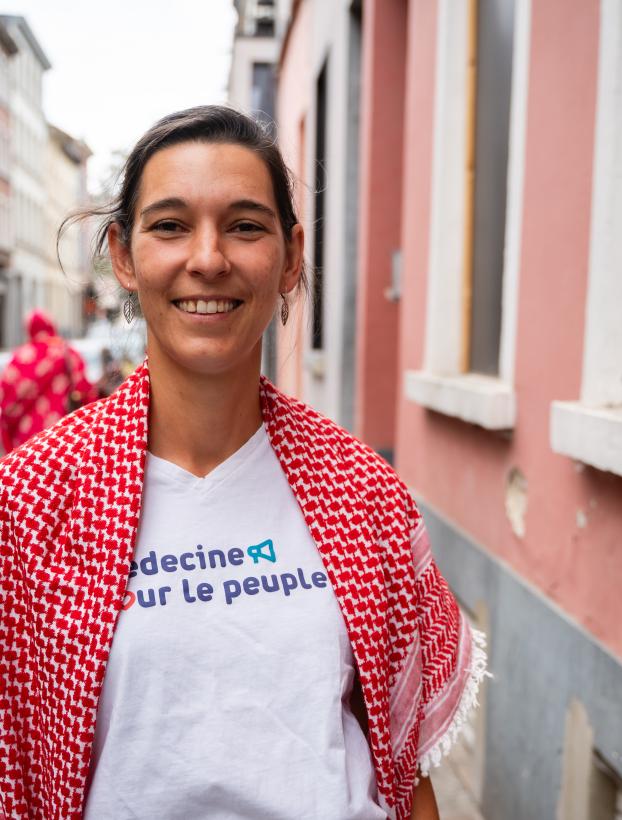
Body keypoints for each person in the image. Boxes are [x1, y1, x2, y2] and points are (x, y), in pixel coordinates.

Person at [0, 106, 487, 819]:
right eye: (170, 225)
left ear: (290, 258)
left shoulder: (361, 490)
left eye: (245, 225)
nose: (208, 258)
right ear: (125, 256)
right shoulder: (31, 501)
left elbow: (402, 769)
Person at [0, 308, 96, 454]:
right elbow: (85, 391)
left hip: (25, 444)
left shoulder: (19, 359)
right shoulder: (67, 353)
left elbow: (5, 400)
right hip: (61, 437)